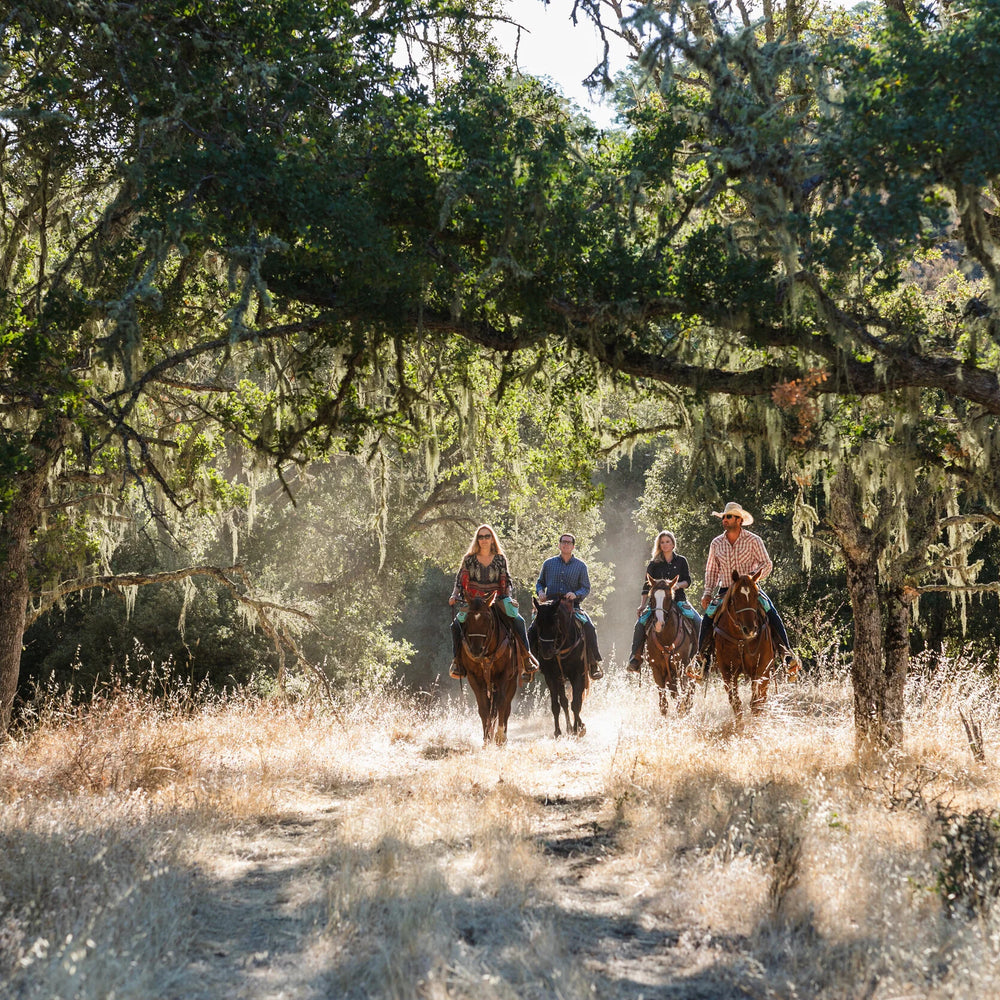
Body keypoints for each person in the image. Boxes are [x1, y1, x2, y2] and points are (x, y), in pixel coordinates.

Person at [695, 501, 800, 672]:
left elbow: (767, 564)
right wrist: (707, 593)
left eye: (729, 517)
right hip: (725, 590)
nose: (725, 520)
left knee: (770, 611)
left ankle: (786, 654)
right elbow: (712, 570)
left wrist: (751, 579)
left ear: (739, 520)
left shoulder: (753, 540)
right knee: (708, 617)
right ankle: (700, 659)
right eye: (724, 517)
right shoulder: (716, 543)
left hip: (749, 589)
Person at [448, 524, 537, 681]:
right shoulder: (468, 559)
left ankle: (526, 658)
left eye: (487, 536)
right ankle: (457, 662)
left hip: (496, 599)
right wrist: (454, 595)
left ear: (492, 539)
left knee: (518, 621)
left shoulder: (500, 559)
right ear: (477, 540)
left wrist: (508, 596)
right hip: (474, 602)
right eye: (480, 537)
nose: (483, 540)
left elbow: (507, 581)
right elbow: (460, 581)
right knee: (456, 625)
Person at [529, 532, 604, 680]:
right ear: (559, 544)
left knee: (589, 627)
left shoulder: (581, 566)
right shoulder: (548, 563)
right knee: (532, 629)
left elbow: (586, 587)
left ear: (573, 546)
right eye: (563, 542)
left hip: (572, 606)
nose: (566, 544)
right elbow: (540, 582)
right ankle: (529, 665)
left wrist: (575, 594)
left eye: (569, 542)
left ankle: (593, 662)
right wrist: (540, 592)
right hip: (551, 607)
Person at [627, 530, 702, 673]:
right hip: (657, 604)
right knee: (639, 625)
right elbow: (645, 586)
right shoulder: (654, 564)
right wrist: (642, 605)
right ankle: (635, 657)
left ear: (673, 544)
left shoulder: (681, 560)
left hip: (678, 599)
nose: (665, 544)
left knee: (698, 621)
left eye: (668, 541)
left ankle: (700, 657)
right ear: (659, 545)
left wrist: (677, 585)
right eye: (662, 542)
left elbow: (688, 580)